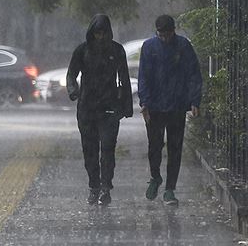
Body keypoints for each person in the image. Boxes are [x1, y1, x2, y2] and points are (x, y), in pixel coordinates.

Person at [67, 14, 134, 206]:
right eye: (97, 33)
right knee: (90, 150)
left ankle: (106, 186)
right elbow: (71, 74)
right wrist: (73, 90)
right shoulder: (82, 51)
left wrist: (126, 106)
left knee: (107, 148)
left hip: (109, 107)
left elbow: (124, 78)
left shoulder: (117, 50)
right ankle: (94, 186)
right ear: (92, 33)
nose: (100, 37)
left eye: (103, 33)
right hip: (87, 108)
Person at [138, 15, 202, 206]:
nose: (165, 38)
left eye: (168, 34)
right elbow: (144, 76)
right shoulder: (149, 47)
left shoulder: (183, 46)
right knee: (154, 146)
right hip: (154, 107)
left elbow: (194, 74)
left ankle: (170, 189)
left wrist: (195, 100)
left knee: (175, 148)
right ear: (157, 32)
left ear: (173, 30)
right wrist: (145, 102)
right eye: (161, 34)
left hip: (177, 105)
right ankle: (155, 177)